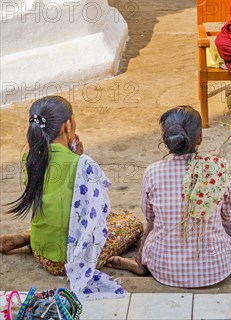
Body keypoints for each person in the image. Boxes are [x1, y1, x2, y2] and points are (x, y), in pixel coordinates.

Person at [0, 96, 143, 298]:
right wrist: (77, 157)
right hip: (64, 260)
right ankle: (28, 238)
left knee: (55, 216)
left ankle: (27, 237)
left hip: (42, 251)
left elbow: (56, 196)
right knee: (132, 223)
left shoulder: (29, 157)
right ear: (67, 126)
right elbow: (94, 211)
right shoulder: (81, 164)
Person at [107, 106, 231, 288]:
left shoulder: (153, 172)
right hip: (215, 270)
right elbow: (228, 216)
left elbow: (150, 217)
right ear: (200, 139)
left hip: (163, 267)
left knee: (152, 228)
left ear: (166, 141)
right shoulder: (216, 170)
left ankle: (141, 263)